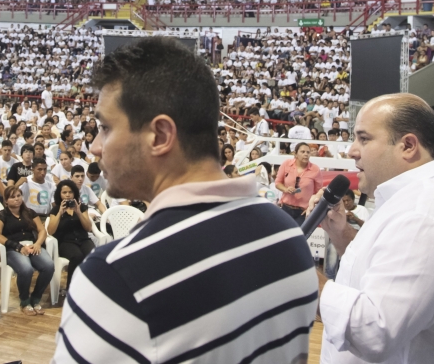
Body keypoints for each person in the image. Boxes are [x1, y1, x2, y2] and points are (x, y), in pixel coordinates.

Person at [53, 37, 317, 363]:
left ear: (160, 136)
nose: (94, 146)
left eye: (105, 128)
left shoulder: (116, 277)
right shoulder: (288, 234)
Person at [311, 94, 434, 364]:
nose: (351, 150)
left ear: (408, 145)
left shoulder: (424, 214)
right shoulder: (422, 198)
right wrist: (341, 234)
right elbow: (384, 269)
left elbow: (375, 331)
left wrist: (300, 273)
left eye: (364, 139)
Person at [0, 184, 53, 315]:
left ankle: (36, 298)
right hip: (13, 249)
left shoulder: (29, 212)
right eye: (12, 197)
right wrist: (17, 247)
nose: (17, 199)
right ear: (6, 200)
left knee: (48, 266)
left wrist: (37, 244)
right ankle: (24, 301)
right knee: (26, 269)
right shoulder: (1, 215)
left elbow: (42, 230)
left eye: (18, 196)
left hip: (31, 245)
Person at [46, 179, 94, 288]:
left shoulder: (81, 207)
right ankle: (71, 288)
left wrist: (78, 212)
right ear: (59, 194)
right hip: (65, 242)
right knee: (77, 256)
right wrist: (60, 213)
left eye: (70, 192)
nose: (68, 195)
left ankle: (89, 287)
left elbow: (88, 228)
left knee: (93, 255)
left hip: (83, 239)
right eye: (64, 192)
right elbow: (50, 231)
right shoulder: (56, 209)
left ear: (74, 193)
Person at [274, 141, 327, 220]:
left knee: (300, 232)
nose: (306, 154)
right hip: (286, 208)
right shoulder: (286, 164)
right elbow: (278, 183)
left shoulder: (315, 169)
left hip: (303, 211)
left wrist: (310, 207)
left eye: (308, 152)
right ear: (295, 154)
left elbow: (318, 192)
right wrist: (286, 189)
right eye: (302, 152)